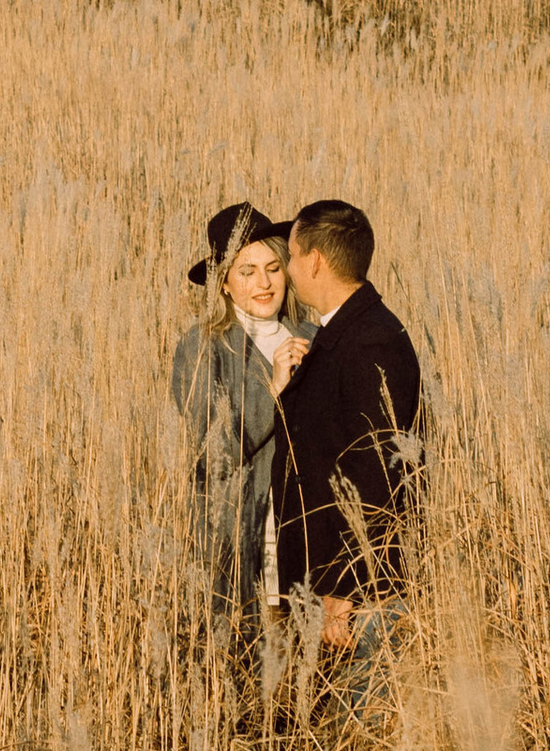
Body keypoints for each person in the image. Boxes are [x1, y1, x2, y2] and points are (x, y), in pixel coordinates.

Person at [270, 198, 425, 670]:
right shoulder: (343, 331)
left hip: (363, 600)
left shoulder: (370, 342)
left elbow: (377, 475)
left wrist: (343, 588)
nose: (289, 271)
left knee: (366, 726)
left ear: (314, 260)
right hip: (334, 590)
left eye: (292, 257)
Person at [168, 202, 309, 623]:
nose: (263, 283)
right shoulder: (201, 349)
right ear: (225, 284)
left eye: (273, 268)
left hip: (308, 542)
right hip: (244, 542)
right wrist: (275, 388)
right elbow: (214, 454)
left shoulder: (313, 337)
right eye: (247, 272)